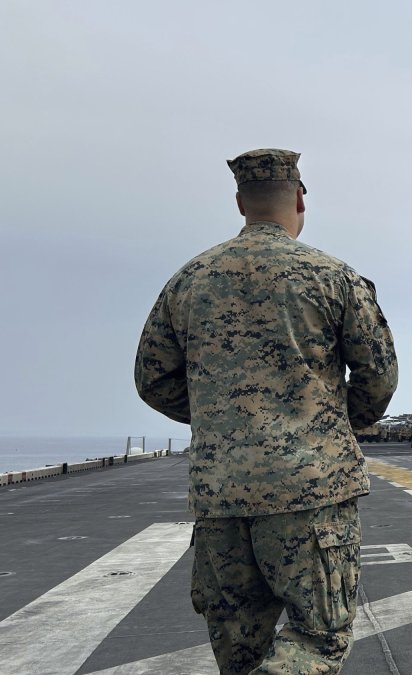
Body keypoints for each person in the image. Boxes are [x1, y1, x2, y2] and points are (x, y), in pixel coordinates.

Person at [134, 148, 398, 674]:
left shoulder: (188, 281)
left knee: (237, 651)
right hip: (309, 493)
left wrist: (224, 419)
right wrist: (330, 421)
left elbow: (152, 380)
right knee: (317, 639)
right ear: (300, 198)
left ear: (240, 203)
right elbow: (378, 375)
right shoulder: (334, 278)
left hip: (221, 498)